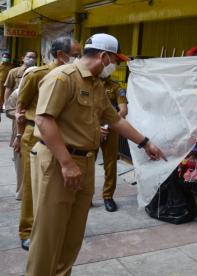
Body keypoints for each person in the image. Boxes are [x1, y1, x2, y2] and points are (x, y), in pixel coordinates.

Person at [25, 33, 166, 276]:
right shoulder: (63, 77)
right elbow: (43, 120)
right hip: (59, 162)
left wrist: (145, 142)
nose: (115, 66)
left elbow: (114, 120)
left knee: (73, 234)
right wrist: (67, 163)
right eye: (115, 61)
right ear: (104, 56)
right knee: (49, 233)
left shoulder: (96, 84)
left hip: (85, 162)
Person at [15, 37, 81, 251]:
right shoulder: (37, 74)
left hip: (62, 136)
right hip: (35, 134)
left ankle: (49, 226)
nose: (79, 58)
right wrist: (18, 135)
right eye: (76, 54)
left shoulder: (76, 77)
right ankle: (27, 230)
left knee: (52, 186)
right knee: (32, 185)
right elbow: (21, 107)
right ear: (61, 55)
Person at [4, 50, 38, 200]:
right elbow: (9, 108)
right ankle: (21, 191)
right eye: (28, 56)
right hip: (19, 129)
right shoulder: (16, 91)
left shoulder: (40, 92)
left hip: (36, 132)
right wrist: (18, 115)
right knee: (19, 159)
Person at [99, 77, 128, 212]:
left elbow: (123, 109)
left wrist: (109, 124)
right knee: (85, 163)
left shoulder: (115, 86)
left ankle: (108, 196)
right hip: (89, 129)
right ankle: (85, 198)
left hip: (110, 129)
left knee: (110, 164)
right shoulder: (85, 82)